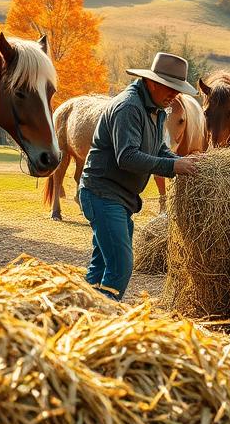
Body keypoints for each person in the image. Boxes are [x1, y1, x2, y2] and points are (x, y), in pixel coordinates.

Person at [79, 52, 200, 299]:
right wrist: (174, 167)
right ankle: (105, 312)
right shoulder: (129, 107)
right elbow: (127, 157)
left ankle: (79, 308)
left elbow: (158, 148)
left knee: (101, 265)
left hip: (120, 198)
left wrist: (181, 161)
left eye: (177, 90)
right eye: (170, 87)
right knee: (121, 265)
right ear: (152, 82)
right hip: (103, 194)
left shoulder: (156, 109)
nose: (174, 95)